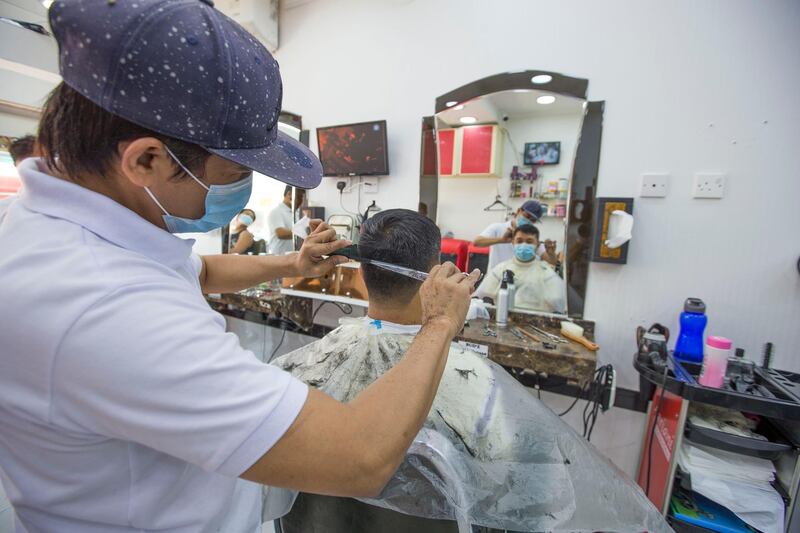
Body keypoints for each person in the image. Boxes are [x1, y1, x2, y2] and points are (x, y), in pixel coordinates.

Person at [0, 2, 479, 532]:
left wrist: (292, 262)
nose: (242, 188)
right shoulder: (102, 308)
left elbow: (196, 273)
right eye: (235, 171)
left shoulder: (63, 226)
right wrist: (438, 325)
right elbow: (359, 458)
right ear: (146, 160)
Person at [270, 209, 668, 533]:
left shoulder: (295, 368)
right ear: (435, 276)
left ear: (359, 272)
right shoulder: (480, 385)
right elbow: (533, 501)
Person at [474, 224, 566, 313]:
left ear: (538, 244)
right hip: (502, 320)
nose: (524, 245)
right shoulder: (500, 269)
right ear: (513, 242)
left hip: (536, 324)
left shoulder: (545, 272)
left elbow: (559, 304)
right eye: (519, 241)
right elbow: (479, 299)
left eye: (529, 241)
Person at [473, 199, 556, 270]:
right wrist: (501, 240)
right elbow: (476, 242)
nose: (529, 221)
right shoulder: (497, 227)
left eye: (533, 220)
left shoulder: (531, 237)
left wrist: (551, 254)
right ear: (518, 211)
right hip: (496, 280)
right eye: (527, 216)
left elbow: (550, 262)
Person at [268, 185, 304, 255]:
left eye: (302, 198)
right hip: (280, 256)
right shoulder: (277, 212)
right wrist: (303, 232)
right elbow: (281, 233)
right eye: (299, 197)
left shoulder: (296, 213)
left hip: (293, 255)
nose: (301, 201)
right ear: (289, 194)